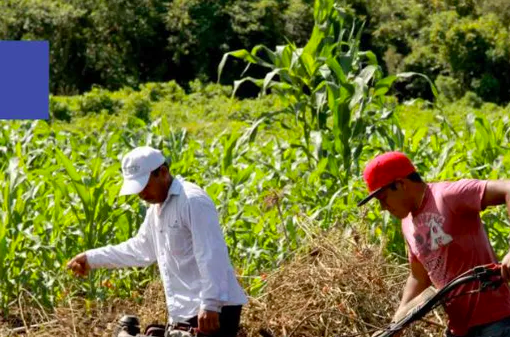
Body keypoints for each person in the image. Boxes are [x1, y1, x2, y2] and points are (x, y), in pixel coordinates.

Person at [67, 146, 248, 337]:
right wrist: (91, 258)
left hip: (212, 311)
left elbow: (211, 253)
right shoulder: (156, 210)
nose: (141, 194)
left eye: (144, 185)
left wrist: (211, 303)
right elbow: (140, 250)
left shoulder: (192, 201)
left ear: (163, 172)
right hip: (185, 312)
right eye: (137, 188)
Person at [357, 151, 510, 337]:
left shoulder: (448, 196)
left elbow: (507, 189)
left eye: (383, 199)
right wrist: (396, 323)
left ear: (401, 184)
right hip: (459, 329)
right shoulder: (407, 224)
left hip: (496, 323)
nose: (382, 207)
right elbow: (419, 277)